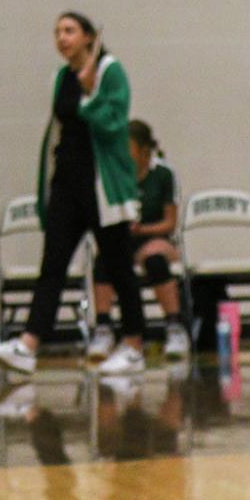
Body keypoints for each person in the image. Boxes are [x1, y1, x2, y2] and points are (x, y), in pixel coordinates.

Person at [0, 12, 147, 376]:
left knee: (119, 266)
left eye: (69, 30)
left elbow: (114, 124)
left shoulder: (109, 70)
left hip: (101, 185)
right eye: (57, 31)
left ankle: (134, 344)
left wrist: (89, 94)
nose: (62, 37)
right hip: (67, 183)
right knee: (52, 265)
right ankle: (28, 345)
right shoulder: (62, 76)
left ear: (89, 37)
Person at [91, 120, 190, 360]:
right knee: (104, 259)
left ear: (144, 150)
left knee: (155, 260)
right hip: (125, 238)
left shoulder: (163, 175)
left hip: (155, 237)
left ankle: (174, 328)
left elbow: (170, 222)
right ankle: (104, 328)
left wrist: (143, 229)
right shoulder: (114, 174)